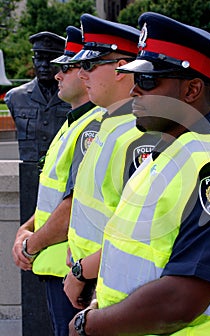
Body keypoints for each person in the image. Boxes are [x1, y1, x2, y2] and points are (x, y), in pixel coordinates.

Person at [68, 12, 210, 336]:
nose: (135, 90)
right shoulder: (166, 154)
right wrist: (102, 303)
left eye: (149, 80)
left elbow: (181, 299)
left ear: (192, 89)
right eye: (135, 77)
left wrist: (90, 325)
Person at [11, 25, 105, 336]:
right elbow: (53, 197)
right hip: (59, 267)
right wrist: (26, 228)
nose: (57, 74)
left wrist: (31, 244)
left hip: (75, 272)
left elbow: (74, 202)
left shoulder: (93, 128)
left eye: (67, 67)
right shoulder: (75, 122)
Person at [61, 13, 160, 309]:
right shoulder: (110, 122)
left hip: (115, 288)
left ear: (120, 67)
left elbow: (143, 231)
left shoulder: (138, 134)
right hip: (93, 281)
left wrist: (82, 270)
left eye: (89, 64)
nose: (81, 74)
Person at [5, 31, 70, 162]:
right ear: (33, 61)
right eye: (40, 58)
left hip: (62, 173)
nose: (44, 65)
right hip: (29, 174)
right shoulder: (15, 97)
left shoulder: (73, 96)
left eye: (51, 59)